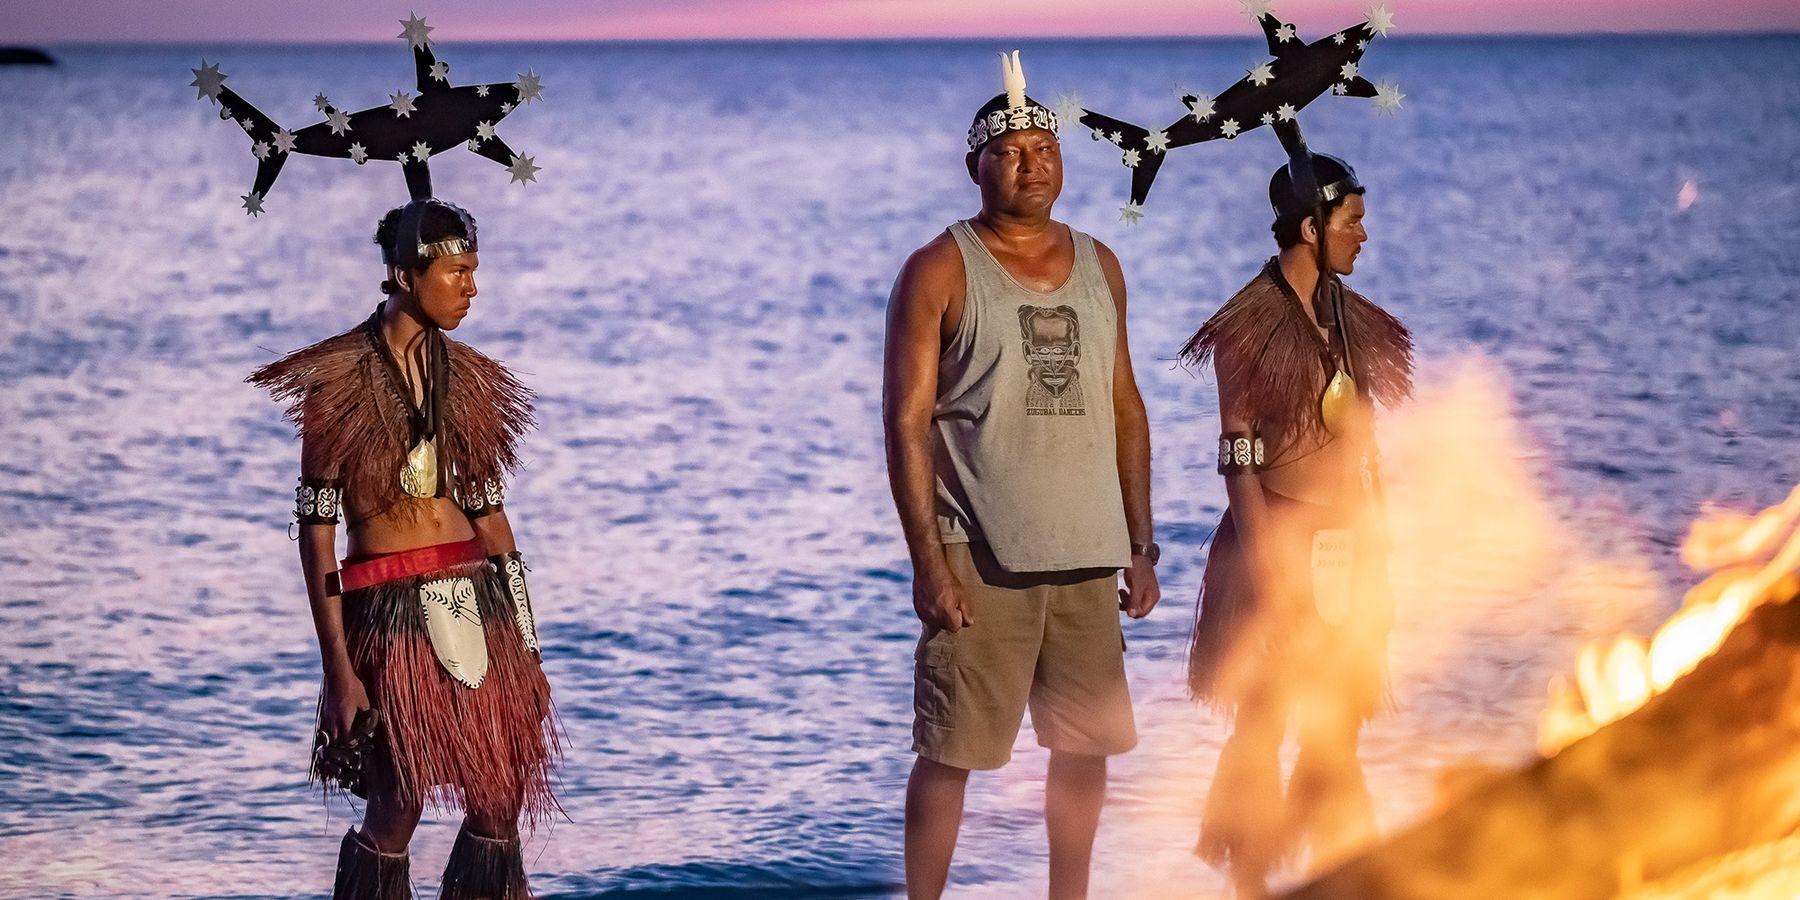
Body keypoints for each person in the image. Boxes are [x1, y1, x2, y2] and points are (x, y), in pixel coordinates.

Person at [881, 51, 1161, 900]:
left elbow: (1126, 410)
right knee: (951, 753)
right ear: (976, 167)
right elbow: (904, 422)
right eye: (1008, 151)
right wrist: (929, 565)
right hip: (980, 557)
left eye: (1044, 147)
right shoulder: (939, 268)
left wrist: (1139, 546)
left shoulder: (1102, 264)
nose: (1030, 163)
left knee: (1084, 749)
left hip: (1086, 555)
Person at [249, 200, 556, 899]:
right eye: (457, 271)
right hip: (387, 609)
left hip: (478, 603)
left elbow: (494, 523)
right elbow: (318, 534)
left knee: (498, 795)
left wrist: (531, 651)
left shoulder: (471, 381)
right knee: (399, 803)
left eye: (474, 271)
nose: (471, 287)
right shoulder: (337, 383)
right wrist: (339, 671)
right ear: (406, 273)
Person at [1181, 150, 1412, 897]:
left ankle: (1341, 875)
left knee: (1336, 726)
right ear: (1311, 227)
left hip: (1347, 546)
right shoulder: (1248, 327)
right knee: (1265, 718)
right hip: (1270, 543)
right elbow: (1238, 458)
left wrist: (1378, 552)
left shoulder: (1354, 323)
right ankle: (1252, 884)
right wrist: (1273, 578)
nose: (1364, 236)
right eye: (1353, 222)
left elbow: (1365, 450)